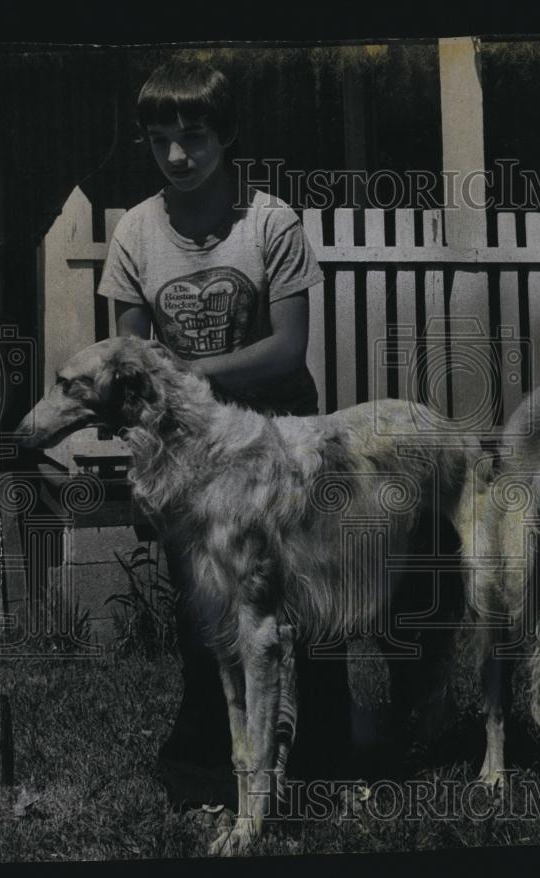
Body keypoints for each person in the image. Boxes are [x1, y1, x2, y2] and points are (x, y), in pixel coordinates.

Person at [95, 58, 352, 813]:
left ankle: (325, 764)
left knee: (309, 599)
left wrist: (191, 371)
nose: (179, 155)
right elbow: (131, 367)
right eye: (161, 140)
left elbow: (285, 348)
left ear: (226, 135)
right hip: (195, 456)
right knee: (205, 610)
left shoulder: (269, 223)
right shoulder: (137, 233)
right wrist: (149, 461)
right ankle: (212, 764)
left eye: (195, 136)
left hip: (283, 439)